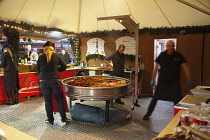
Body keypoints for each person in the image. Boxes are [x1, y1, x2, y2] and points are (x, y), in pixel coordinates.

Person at [143, 40, 194, 120]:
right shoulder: (162, 55)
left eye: (172, 46)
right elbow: (155, 67)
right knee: (155, 98)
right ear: (166, 46)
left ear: (174, 46)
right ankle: (148, 114)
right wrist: (152, 79)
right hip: (162, 82)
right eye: (169, 46)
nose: (170, 48)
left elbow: (186, 68)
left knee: (178, 101)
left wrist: (189, 79)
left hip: (174, 83)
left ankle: (180, 117)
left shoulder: (179, 55)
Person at [37, 41, 70, 125]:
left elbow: (37, 70)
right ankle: (64, 118)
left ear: (44, 49)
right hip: (55, 80)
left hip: (44, 81)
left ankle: (50, 120)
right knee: (59, 99)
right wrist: (56, 70)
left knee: (48, 101)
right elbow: (65, 66)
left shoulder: (41, 57)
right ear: (53, 49)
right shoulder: (57, 56)